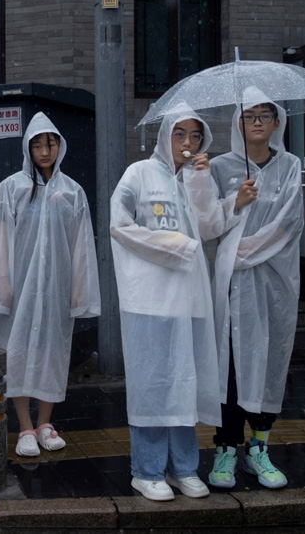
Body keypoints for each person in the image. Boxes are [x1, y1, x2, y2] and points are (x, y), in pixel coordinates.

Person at [109, 104, 225, 502]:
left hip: (190, 299)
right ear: (165, 136)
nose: (188, 143)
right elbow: (119, 225)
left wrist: (202, 184)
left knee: (184, 382)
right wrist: (173, 246)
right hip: (149, 299)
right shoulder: (138, 174)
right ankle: (146, 470)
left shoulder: (197, 177)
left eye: (195, 135)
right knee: (152, 384)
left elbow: (210, 228)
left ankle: (184, 468)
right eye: (180, 134)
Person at [0, 113, 100, 458]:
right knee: (17, 351)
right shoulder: (11, 188)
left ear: (60, 146)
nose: (45, 151)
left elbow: (81, 245)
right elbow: (1, 241)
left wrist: (79, 290)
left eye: (50, 144)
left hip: (56, 287)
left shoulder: (72, 192)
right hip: (20, 287)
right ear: (28, 148)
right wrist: (2, 286)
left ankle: (45, 424)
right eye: (37, 145)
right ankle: (24, 426)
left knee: (53, 352)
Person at [208, 91, 304, 490]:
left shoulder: (290, 165)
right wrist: (235, 202)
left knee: (270, 358)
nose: (259, 122)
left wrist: (243, 252)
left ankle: (259, 447)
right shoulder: (219, 167)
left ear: (278, 123)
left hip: (275, 279)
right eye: (250, 116)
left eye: (266, 115)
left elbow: (290, 221)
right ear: (238, 124)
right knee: (230, 362)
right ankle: (226, 447)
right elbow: (206, 222)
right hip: (233, 283)